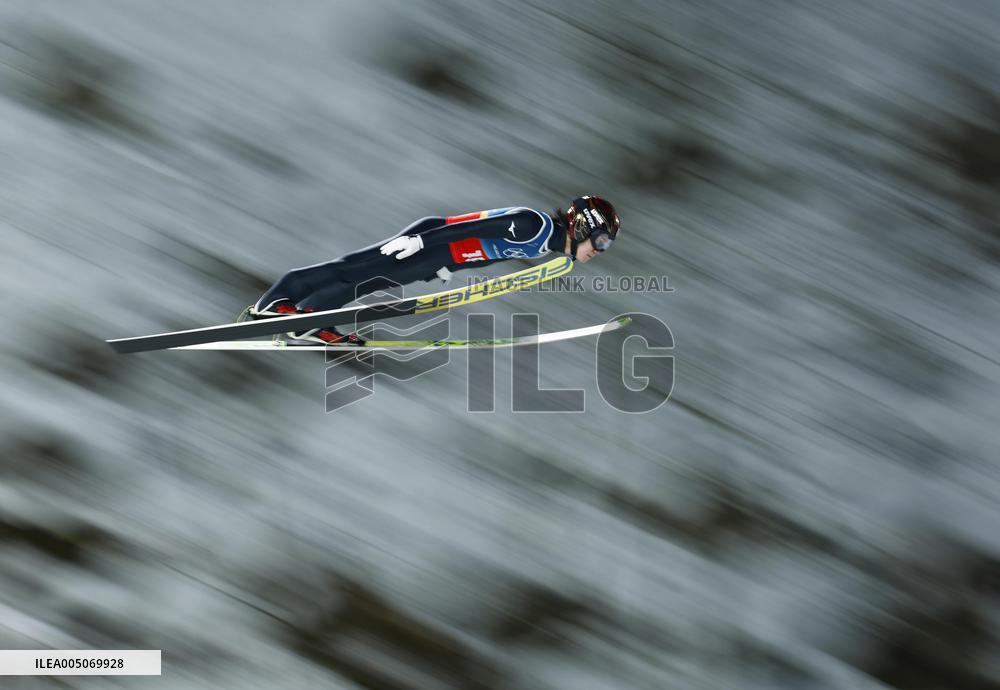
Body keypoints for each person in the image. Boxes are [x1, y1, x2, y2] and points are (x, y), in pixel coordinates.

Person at [248, 195, 621, 345]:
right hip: (432, 239)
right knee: (352, 269)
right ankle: (278, 302)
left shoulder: (547, 245)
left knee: (366, 283)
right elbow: (472, 229)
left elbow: (487, 251)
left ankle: (311, 319)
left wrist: (449, 267)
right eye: (601, 242)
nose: (599, 251)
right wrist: (421, 242)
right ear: (583, 226)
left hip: (442, 255)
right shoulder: (533, 224)